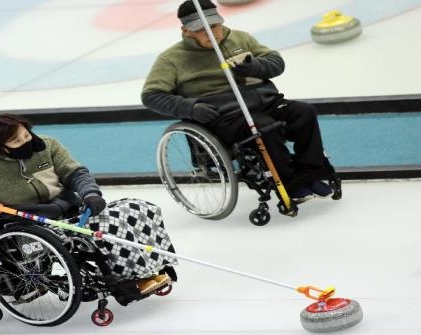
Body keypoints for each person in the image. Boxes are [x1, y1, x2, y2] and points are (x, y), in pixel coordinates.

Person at [0, 113, 177, 295]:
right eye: (17, 141)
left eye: (26, 135)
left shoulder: (47, 145)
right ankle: (127, 281)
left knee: (136, 209)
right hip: (31, 220)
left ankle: (156, 264)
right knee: (104, 233)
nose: (26, 141)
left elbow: (75, 172)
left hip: (70, 207)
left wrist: (90, 193)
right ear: (1, 148)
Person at [141, 0, 335, 203]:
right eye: (201, 30)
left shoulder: (240, 39)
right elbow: (151, 95)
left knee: (304, 111)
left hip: (265, 102)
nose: (211, 33)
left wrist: (256, 67)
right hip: (226, 116)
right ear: (186, 31)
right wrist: (191, 108)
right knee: (264, 128)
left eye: (214, 26)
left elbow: (277, 63)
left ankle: (311, 172)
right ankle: (290, 183)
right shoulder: (171, 59)